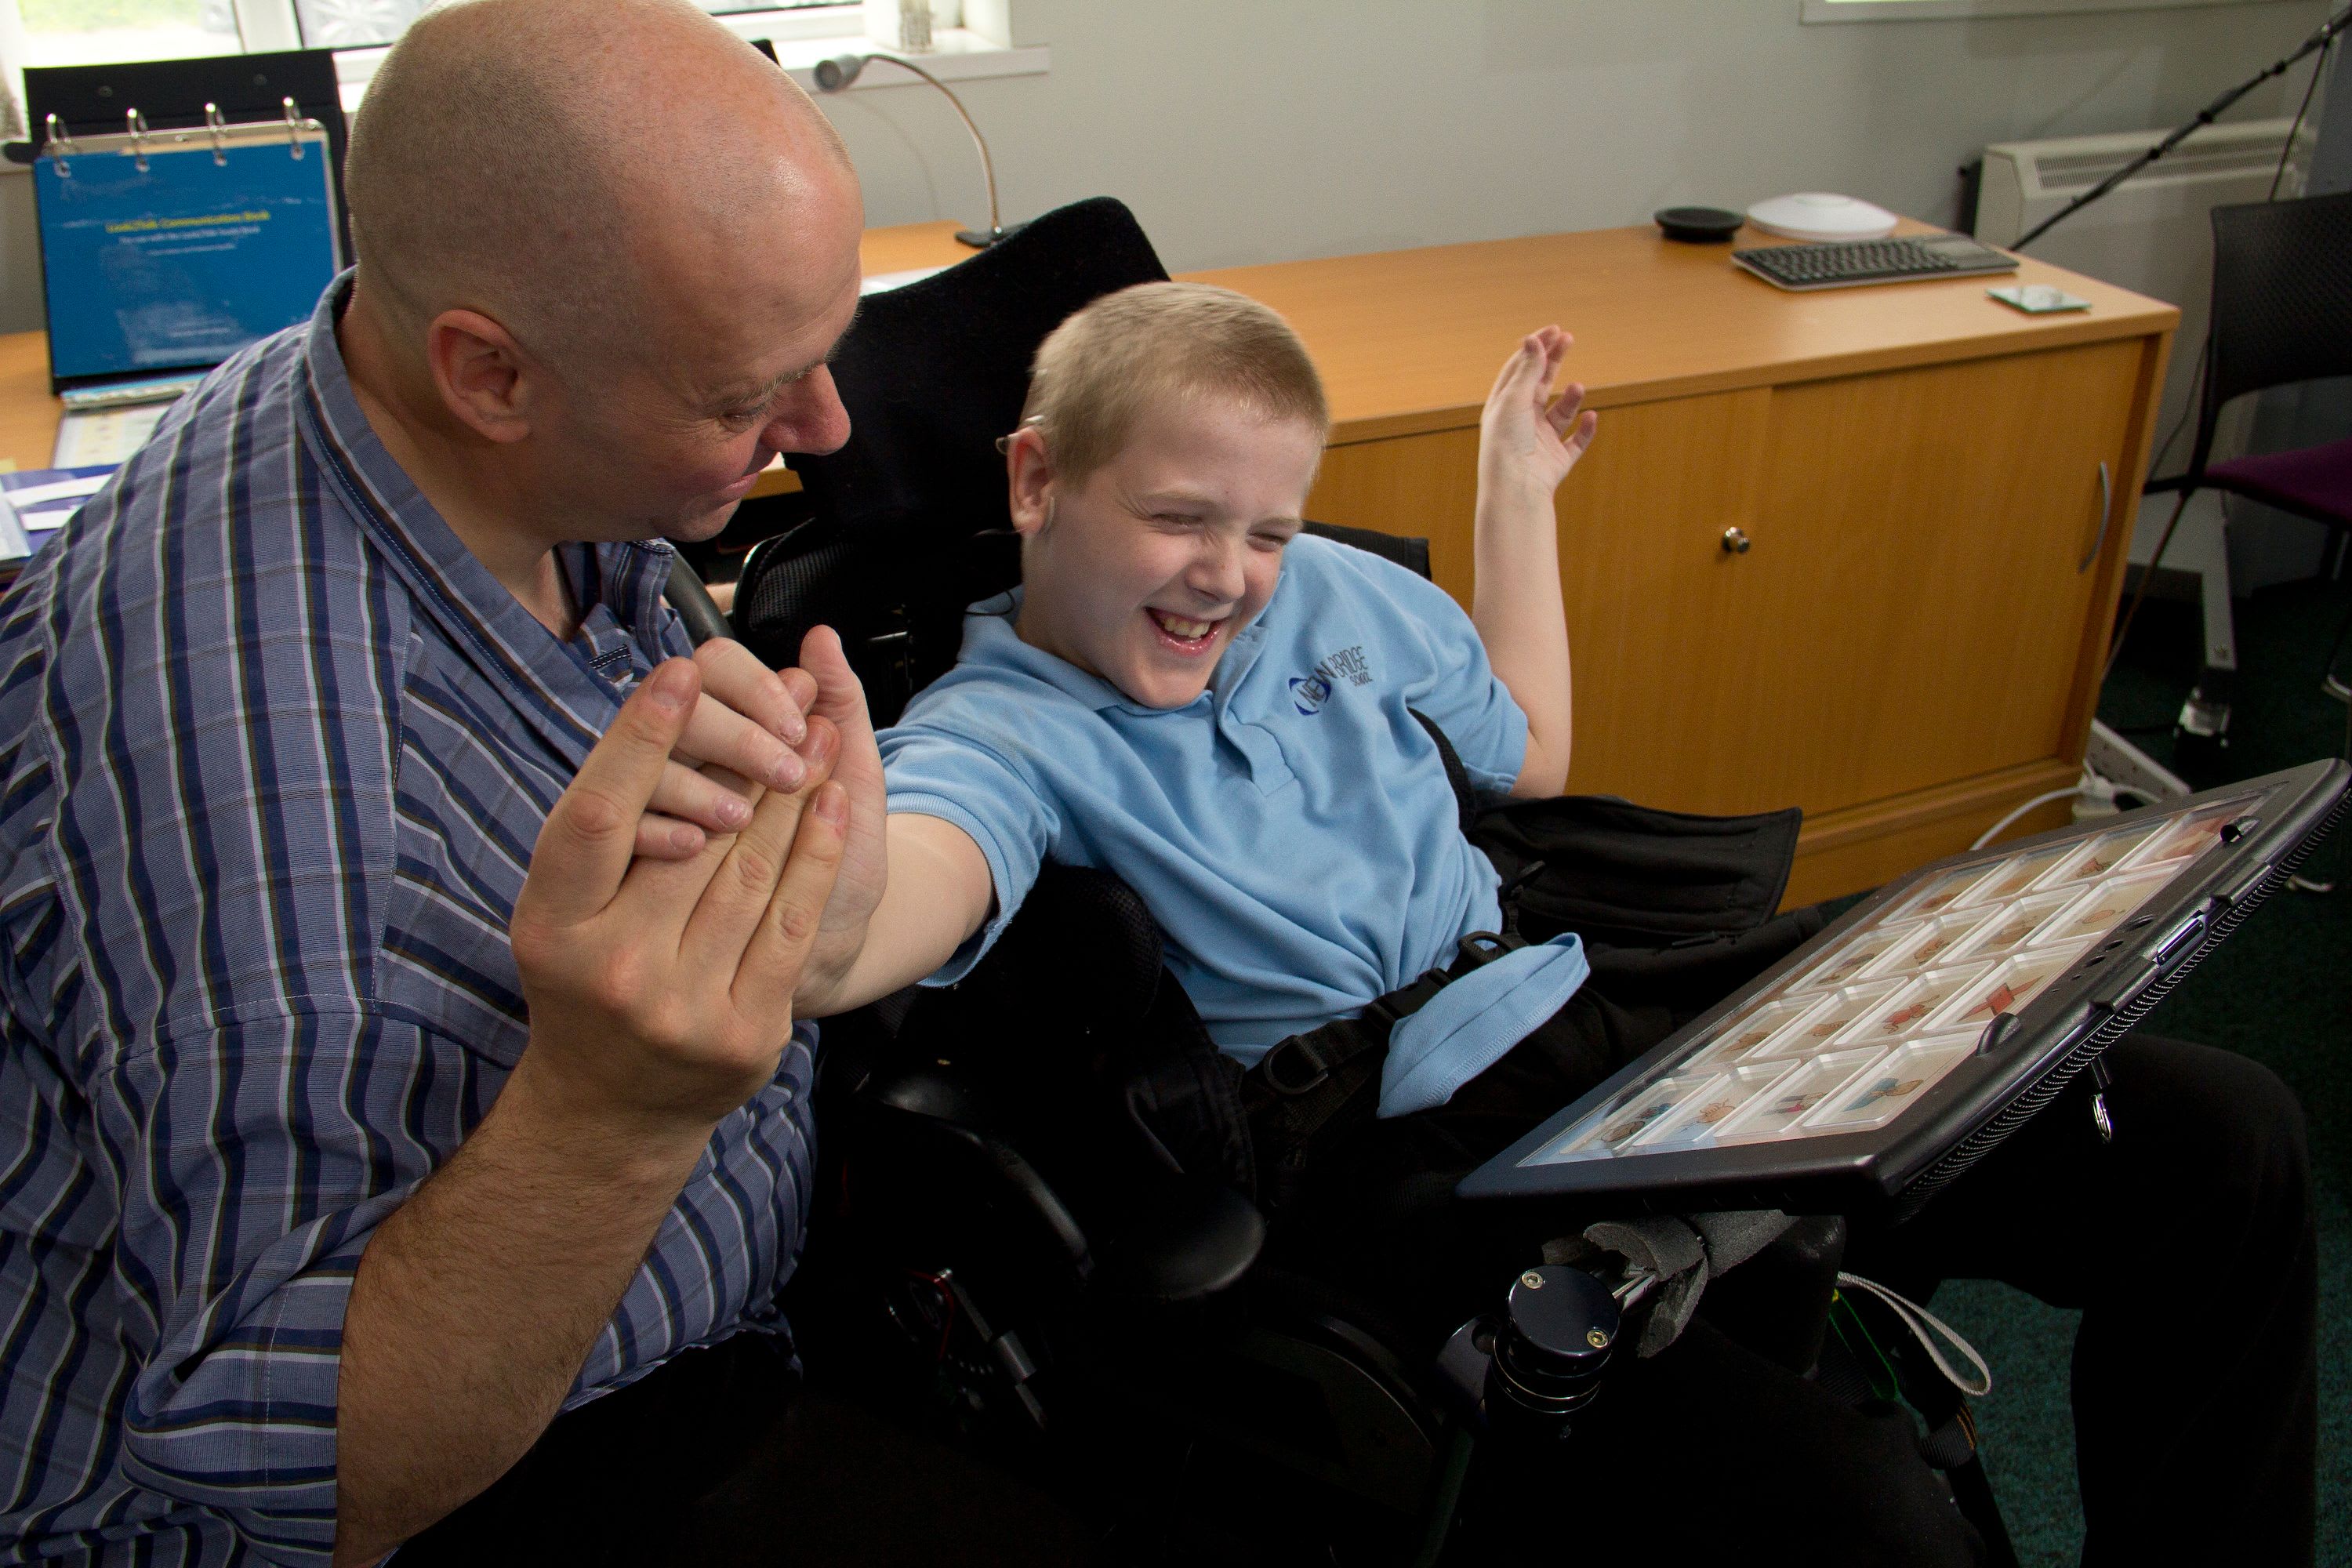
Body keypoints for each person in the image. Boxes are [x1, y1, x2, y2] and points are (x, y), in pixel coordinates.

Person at [811, 281, 2318, 1563]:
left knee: (2222, 1136)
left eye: (1265, 527)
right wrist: (813, 865)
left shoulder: (1324, 589)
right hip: (1418, 1148)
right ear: (1034, 482)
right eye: (1177, 518)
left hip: (1608, 998)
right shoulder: (995, 737)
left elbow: (1529, 756)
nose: (1228, 577)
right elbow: (866, 927)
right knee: (1871, 1518)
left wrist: (1510, 493)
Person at [0, 2, 1088, 1563]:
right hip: (477, 1467)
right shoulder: (299, 808)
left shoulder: (407, 392)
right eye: (744, 400)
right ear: (490, 374)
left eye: (817, 357)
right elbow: (320, 1472)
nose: (826, 429)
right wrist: (614, 1116)